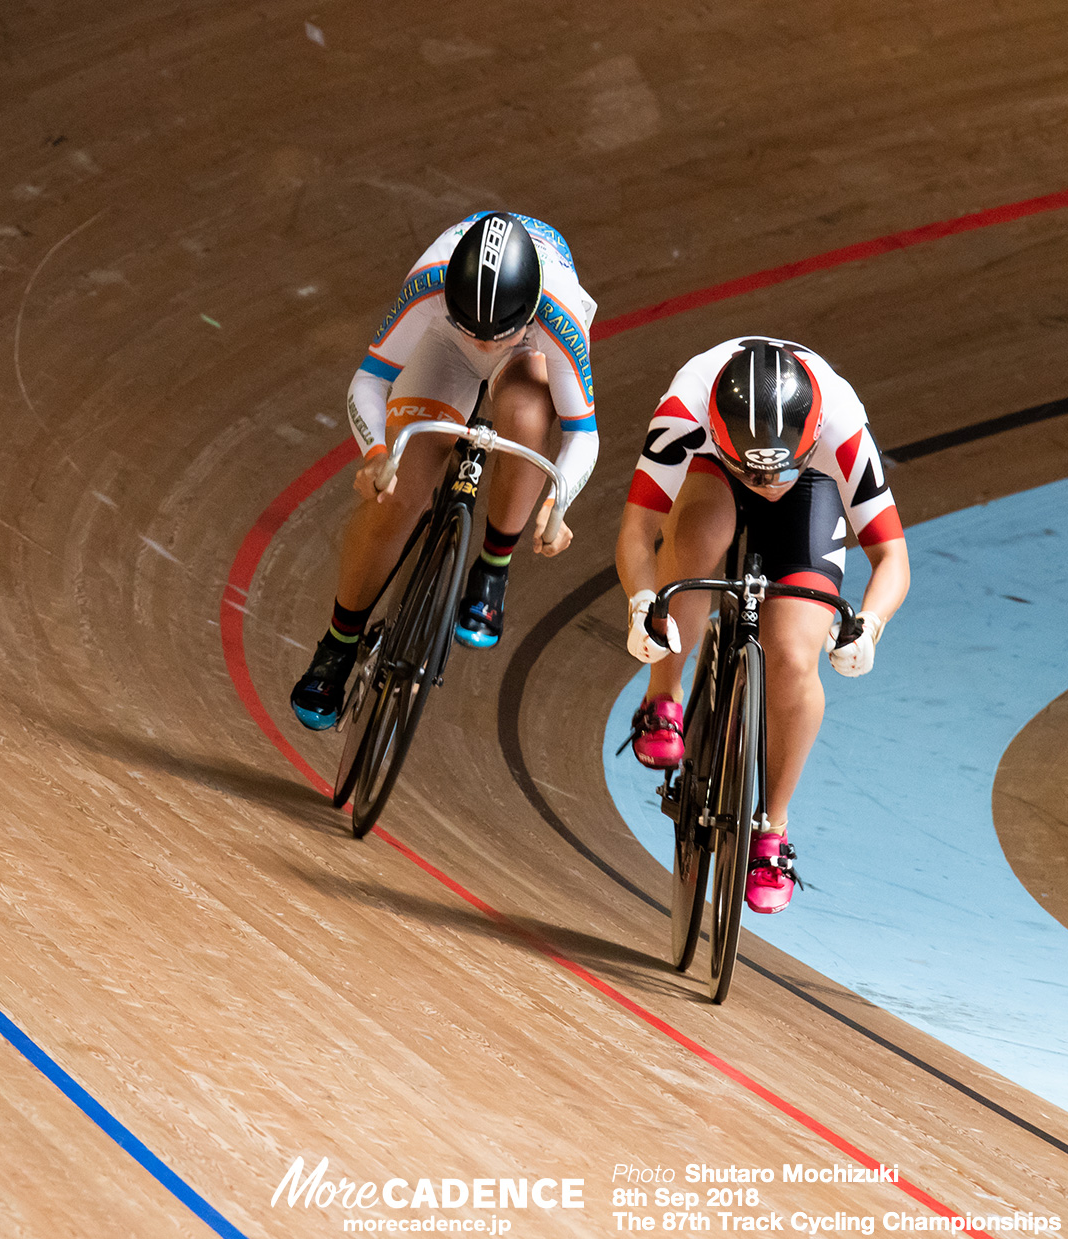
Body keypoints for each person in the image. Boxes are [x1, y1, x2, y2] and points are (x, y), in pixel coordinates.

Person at [615, 337, 910, 913]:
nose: (768, 487)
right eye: (758, 476)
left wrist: (870, 625)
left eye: (778, 475)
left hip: (813, 488)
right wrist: (642, 603)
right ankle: (663, 698)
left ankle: (771, 829)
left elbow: (893, 558)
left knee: (794, 657)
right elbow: (638, 528)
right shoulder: (685, 409)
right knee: (695, 542)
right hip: (712, 469)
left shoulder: (842, 428)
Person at [290, 212, 598, 730]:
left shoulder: (559, 316)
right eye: (472, 330)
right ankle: (337, 645)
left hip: (526, 354)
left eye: (494, 334)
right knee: (396, 496)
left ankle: (492, 569)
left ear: (529, 311)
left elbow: (582, 433)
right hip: (442, 348)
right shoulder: (430, 282)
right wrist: (376, 455)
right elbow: (369, 380)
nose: (484, 344)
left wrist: (556, 505)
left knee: (525, 417)